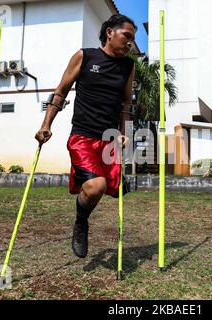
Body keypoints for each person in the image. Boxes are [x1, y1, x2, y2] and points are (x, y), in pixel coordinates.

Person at [35, 14, 137, 258]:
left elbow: (126, 103)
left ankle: (89, 207)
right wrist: (45, 124)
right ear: (110, 32)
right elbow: (60, 92)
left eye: (133, 39)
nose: (130, 43)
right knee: (95, 187)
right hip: (82, 136)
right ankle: (81, 223)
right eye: (127, 36)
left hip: (109, 139)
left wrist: (124, 133)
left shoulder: (128, 66)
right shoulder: (85, 56)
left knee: (108, 188)